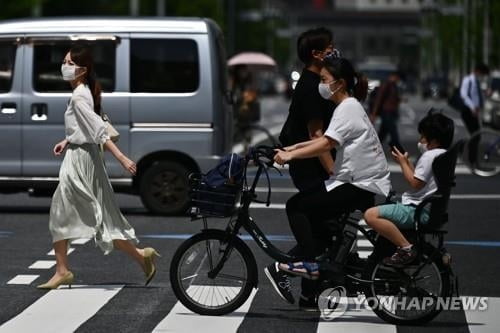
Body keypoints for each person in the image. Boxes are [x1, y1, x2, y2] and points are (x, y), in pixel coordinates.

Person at [265, 56, 391, 305]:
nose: (320, 85)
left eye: (324, 80)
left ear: (340, 83)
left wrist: (290, 155)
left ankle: (308, 267)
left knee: (296, 206)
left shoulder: (347, 108)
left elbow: (326, 143)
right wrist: (289, 147)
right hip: (359, 180)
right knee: (320, 227)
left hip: (358, 183)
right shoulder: (348, 105)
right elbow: (320, 140)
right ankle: (312, 282)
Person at [37, 45, 160, 289]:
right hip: (84, 155)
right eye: (64, 62)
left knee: (61, 212)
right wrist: (67, 140)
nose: (65, 67)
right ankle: (140, 255)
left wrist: (123, 159)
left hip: (81, 161)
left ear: (82, 70)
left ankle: (62, 271)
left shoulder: (79, 95)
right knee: (101, 219)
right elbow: (86, 127)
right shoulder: (84, 92)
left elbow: (99, 131)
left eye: (70, 64)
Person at [276, 27, 336, 309]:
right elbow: (317, 136)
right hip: (310, 166)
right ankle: (285, 267)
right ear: (316, 54)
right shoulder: (310, 87)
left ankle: (309, 293)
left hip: (311, 163)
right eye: (330, 48)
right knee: (322, 225)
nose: (334, 51)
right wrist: (334, 172)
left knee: (323, 229)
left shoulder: (318, 83)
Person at [364, 111, 454, 266]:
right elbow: (421, 179)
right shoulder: (444, 156)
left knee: (371, 215)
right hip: (431, 211)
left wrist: (403, 164)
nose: (420, 141)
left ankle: (406, 248)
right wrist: (406, 162)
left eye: (423, 137)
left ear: (434, 141)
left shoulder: (429, 156)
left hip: (417, 211)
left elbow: (415, 183)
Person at [459, 63, 490, 165]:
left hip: (474, 111)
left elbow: (477, 96)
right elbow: (464, 95)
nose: (482, 76)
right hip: (467, 111)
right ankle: (471, 159)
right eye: (482, 74)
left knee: (476, 135)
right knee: (475, 135)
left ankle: (472, 158)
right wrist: (472, 107)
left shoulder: (477, 81)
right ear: (477, 71)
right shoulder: (468, 80)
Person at [370, 71, 404, 152]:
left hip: (390, 113)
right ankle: (398, 150)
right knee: (393, 134)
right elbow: (379, 99)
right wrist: (374, 114)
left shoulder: (393, 85)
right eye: (397, 78)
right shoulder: (387, 84)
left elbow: (393, 99)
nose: (398, 80)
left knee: (382, 134)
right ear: (393, 76)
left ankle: (374, 150)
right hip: (387, 113)